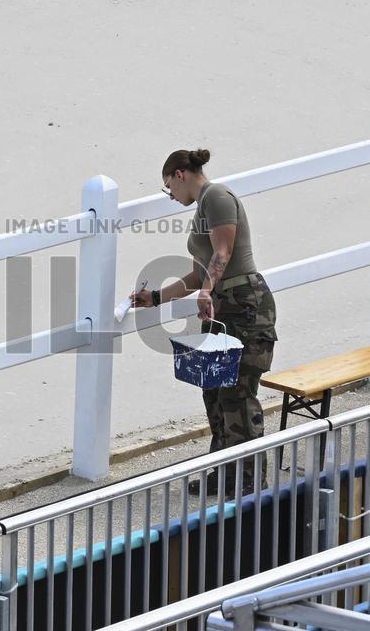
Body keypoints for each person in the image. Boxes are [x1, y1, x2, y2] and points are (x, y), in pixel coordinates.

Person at [131, 148, 277, 494]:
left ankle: (250, 480)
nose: (171, 195)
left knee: (238, 394)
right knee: (214, 390)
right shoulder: (201, 209)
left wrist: (208, 290)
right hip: (222, 308)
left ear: (179, 174)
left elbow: (223, 253)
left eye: (169, 187)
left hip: (246, 305)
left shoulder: (218, 197)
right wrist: (155, 299)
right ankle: (222, 473)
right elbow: (199, 273)